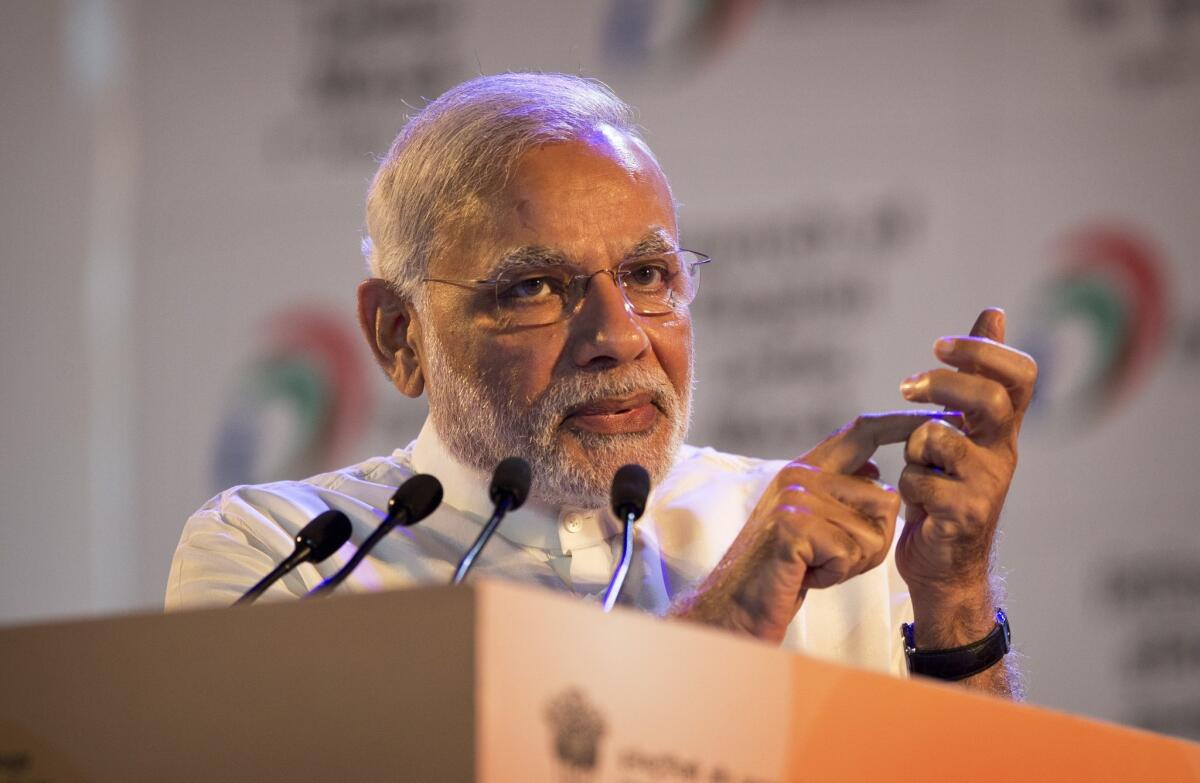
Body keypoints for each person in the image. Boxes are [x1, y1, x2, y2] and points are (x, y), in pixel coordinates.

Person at [167, 73, 1036, 697]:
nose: (619, 336)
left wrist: (954, 594)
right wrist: (726, 620)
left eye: (651, 274)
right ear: (401, 334)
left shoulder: (815, 532)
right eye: (535, 286)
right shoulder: (284, 554)